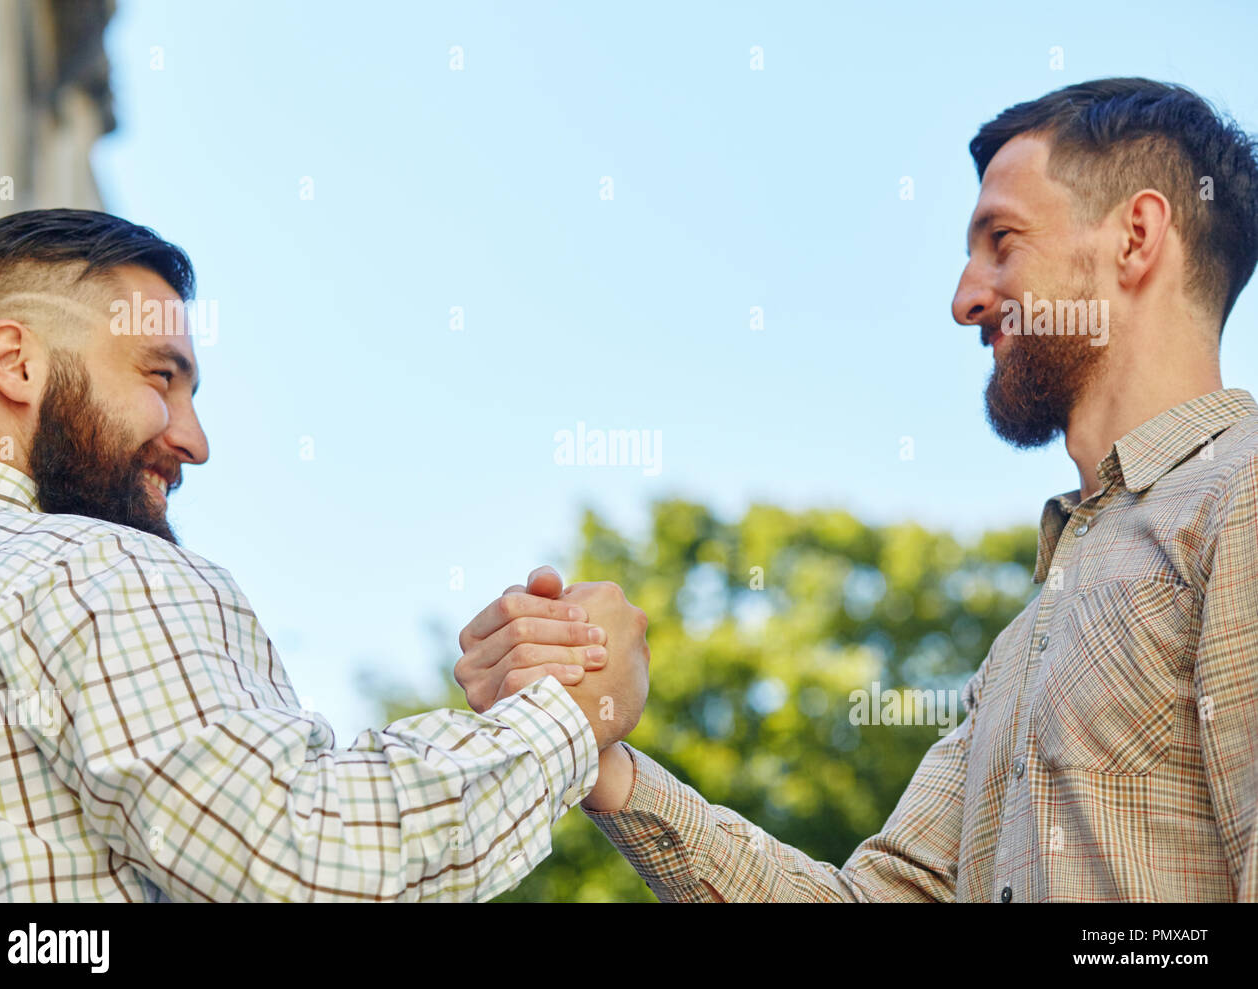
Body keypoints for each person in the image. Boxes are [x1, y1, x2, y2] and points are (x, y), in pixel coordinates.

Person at [457, 77, 1258, 901]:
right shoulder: (1023, 646)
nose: (965, 299)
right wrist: (595, 754)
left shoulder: (1243, 493)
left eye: (1003, 240)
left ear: (1137, 234)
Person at [0, 208, 648, 902]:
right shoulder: (88, 565)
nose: (196, 442)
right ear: (17, 363)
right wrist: (572, 711)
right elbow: (311, 863)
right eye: (160, 375)